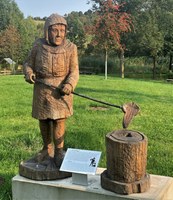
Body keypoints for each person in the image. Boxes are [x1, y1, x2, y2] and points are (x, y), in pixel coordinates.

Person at [23, 13, 79, 168]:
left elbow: (74, 71)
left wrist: (69, 84)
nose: (59, 34)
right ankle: (47, 148)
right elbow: (27, 63)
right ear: (47, 31)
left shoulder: (70, 48)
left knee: (59, 120)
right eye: (55, 30)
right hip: (42, 88)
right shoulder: (38, 46)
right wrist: (29, 73)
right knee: (44, 119)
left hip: (61, 90)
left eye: (62, 30)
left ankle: (59, 151)